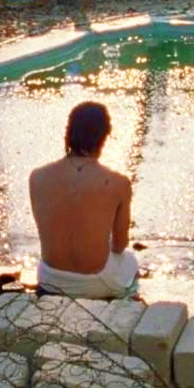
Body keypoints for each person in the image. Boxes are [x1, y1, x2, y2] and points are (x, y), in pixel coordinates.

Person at [29, 101, 138, 298]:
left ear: (69, 133)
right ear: (105, 136)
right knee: (130, 260)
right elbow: (120, 245)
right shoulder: (118, 183)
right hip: (95, 283)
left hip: (50, 280)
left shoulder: (37, 176)